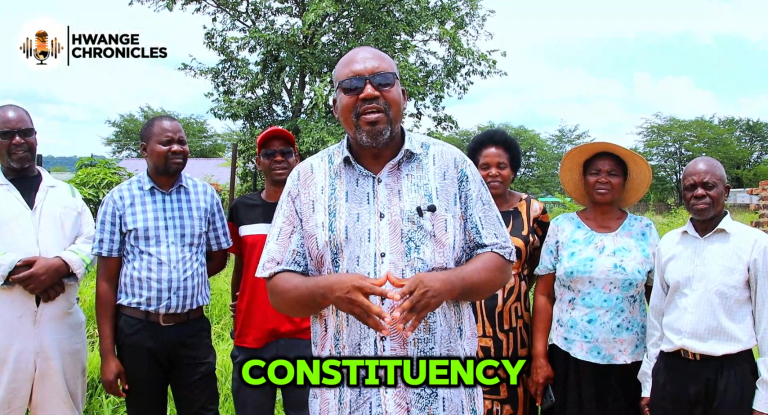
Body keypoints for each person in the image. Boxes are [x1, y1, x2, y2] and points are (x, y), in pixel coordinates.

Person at [255, 46, 517, 415]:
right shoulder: (306, 179)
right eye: (351, 86)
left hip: (441, 400)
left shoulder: (452, 165)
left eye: (382, 81)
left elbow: (499, 261)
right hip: (345, 400)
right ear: (335, 106)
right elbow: (279, 287)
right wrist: (330, 289)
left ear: (403, 96)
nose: (368, 92)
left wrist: (448, 283)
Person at [92, 115, 232, 415]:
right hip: (138, 332)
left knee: (203, 411)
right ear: (144, 149)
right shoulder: (119, 200)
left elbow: (219, 256)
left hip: (192, 331)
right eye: (166, 142)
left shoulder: (205, 196)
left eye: (182, 142)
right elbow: (106, 280)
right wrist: (107, 355)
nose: (177, 148)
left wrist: (184, 279)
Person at [528, 142, 660, 415]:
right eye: (595, 172)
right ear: (584, 180)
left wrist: (657, 361)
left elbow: (657, 301)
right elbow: (544, 294)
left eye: (612, 173)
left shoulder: (644, 230)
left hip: (629, 361)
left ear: (624, 182)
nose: (603, 178)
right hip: (569, 356)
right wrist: (539, 357)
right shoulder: (563, 227)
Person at [638, 156, 768, 415]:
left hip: (730, 374)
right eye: (690, 187)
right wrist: (649, 382)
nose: (699, 193)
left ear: (726, 191)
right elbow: (657, 319)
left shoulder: (754, 244)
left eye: (709, 186)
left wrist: (764, 398)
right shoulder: (669, 244)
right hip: (672, 372)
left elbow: (766, 322)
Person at [0, 104, 95, 415]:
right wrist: (19, 269)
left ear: (35, 137)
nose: (18, 140)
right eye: (6, 135)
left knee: (62, 408)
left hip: (60, 325)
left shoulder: (67, 194)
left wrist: (60, 265)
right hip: (5, 328)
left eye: (25, 132)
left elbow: (90, 239)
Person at [227, 126, 310, 415]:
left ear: (296, 159)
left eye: (285, 152)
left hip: (304, 335)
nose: (278, 158)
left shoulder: (314, 208)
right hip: (253, 336)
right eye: (269, 153)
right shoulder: (242, 208)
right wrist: (237, 309)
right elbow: (241, 265)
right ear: (258, 162)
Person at [466, 128, 550, 415]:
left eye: (501, 166)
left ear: (512, 169)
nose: (493, 173)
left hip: (514, 331)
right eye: (484, 166)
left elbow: (539, 268)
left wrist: (512, 288)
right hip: (468, 328)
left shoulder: (533, 211)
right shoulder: (460, 209)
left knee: (515, 402)